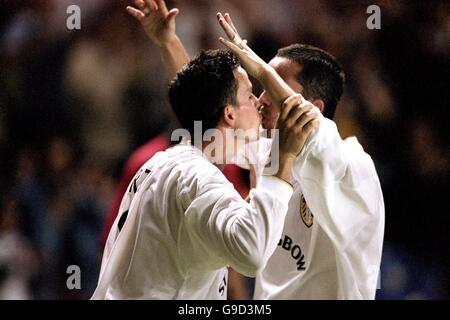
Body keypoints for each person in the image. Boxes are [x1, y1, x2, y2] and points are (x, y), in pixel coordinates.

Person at [128, 0, 385, 299]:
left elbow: (314, 130)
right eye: (260, 87)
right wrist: (168, 42)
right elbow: (209, 110)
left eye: (272, 85)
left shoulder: (352, 167)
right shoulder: (269, 151)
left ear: (313, 107)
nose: (260, 99)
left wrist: (260, 67)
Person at [91, 33, 320, 298]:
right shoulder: (196, 177)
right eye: (249, 96)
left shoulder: (168, 161)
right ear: (229, 113)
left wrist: (169, 41)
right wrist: (285, 154)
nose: (258, 102)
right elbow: (252, 253)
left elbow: (199, 95)